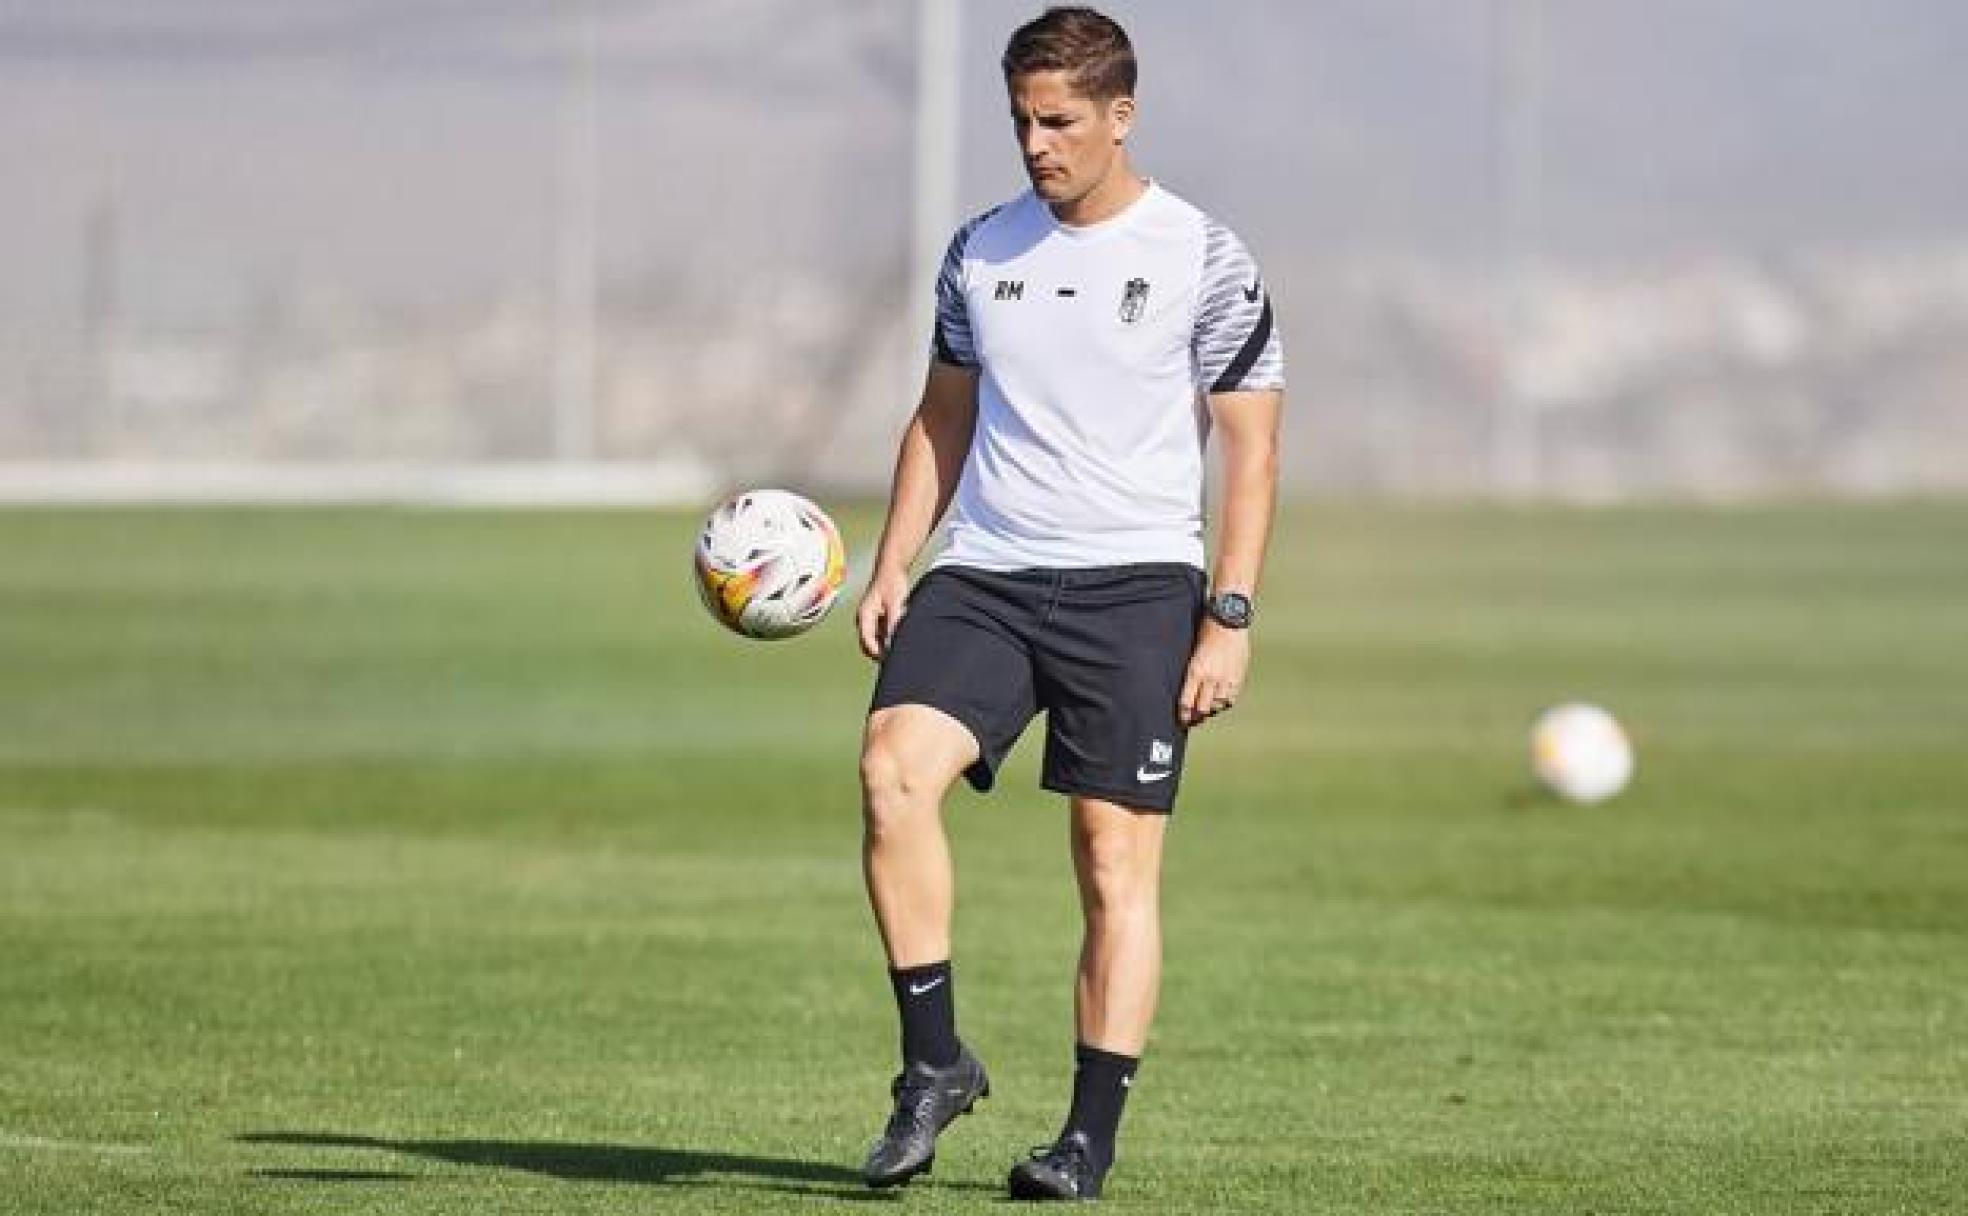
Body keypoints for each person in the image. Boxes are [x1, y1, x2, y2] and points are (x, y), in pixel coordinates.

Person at [853, 5, 1283, 1202]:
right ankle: (934, 1065)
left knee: (1110, 861)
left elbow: (1251, 453)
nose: (1037, 145)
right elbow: (942, 416)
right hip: (985, 571)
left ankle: (1085, 1138)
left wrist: (1228, 616)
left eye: (1059, 121)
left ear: (1119, 116)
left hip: (1138, 583)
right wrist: (894, 561)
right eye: (1021, 122)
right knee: (892, 773)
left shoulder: (1205, 255)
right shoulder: (980, 251)